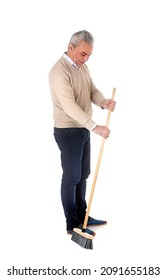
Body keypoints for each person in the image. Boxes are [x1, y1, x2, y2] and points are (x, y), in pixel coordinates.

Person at [49, 30, 116, 235]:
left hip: (83, 129)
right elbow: (69, 106)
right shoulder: (59, 72)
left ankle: (83, 215)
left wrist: (103, 102)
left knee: (83, 175)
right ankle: (72, 222)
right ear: (71, 47)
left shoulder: (82, 67)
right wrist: (95, 127)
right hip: (68, 130)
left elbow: (91, 90)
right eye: (83, 54)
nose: (85, 59)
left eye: (89, 55)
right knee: (72, 176)